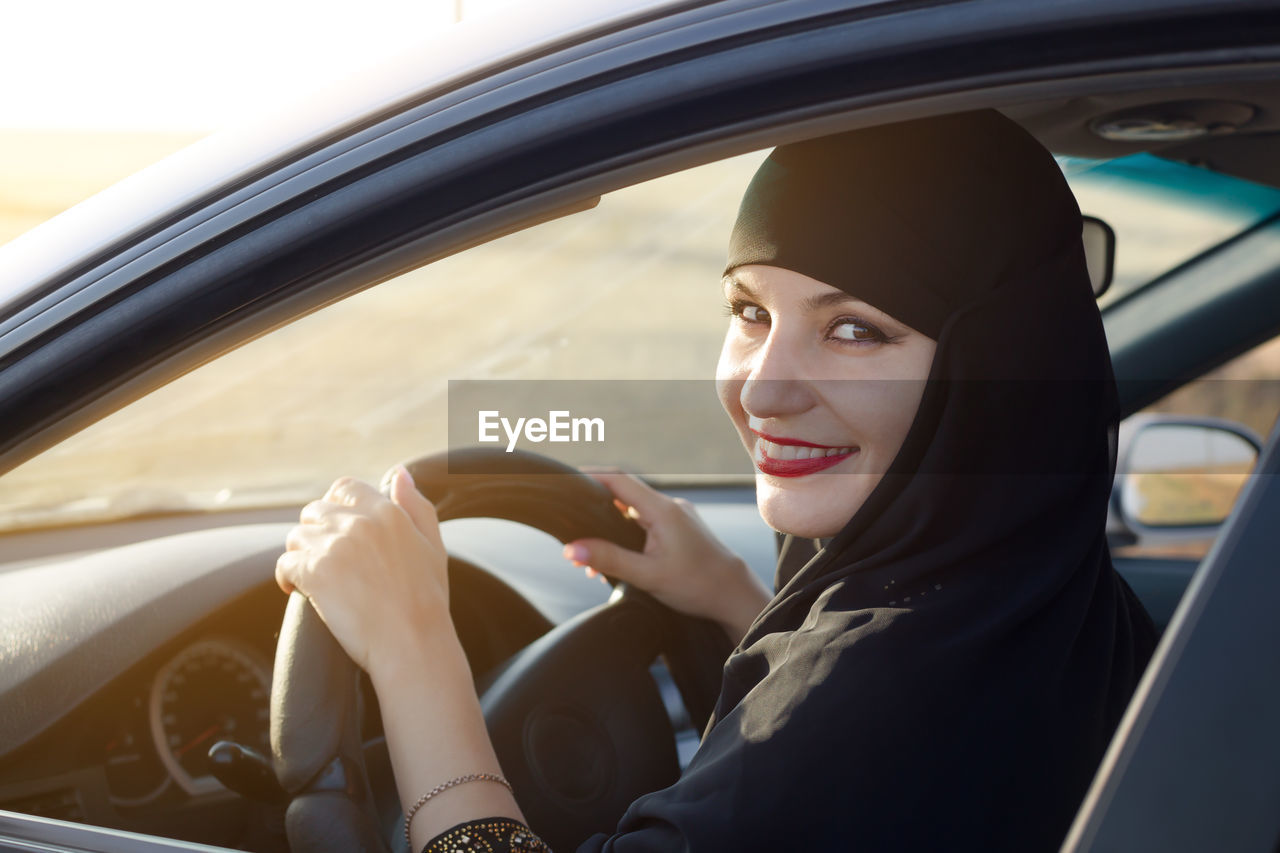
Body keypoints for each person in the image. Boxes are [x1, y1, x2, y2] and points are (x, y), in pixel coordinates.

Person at [275, 110, 1158, 851]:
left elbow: (851, 742)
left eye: (854, 330)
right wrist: (732, 597)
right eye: (749, 311)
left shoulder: (859, 707)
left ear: (994, 367)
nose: (760, 387)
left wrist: (414, 645)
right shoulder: (1058, 604)